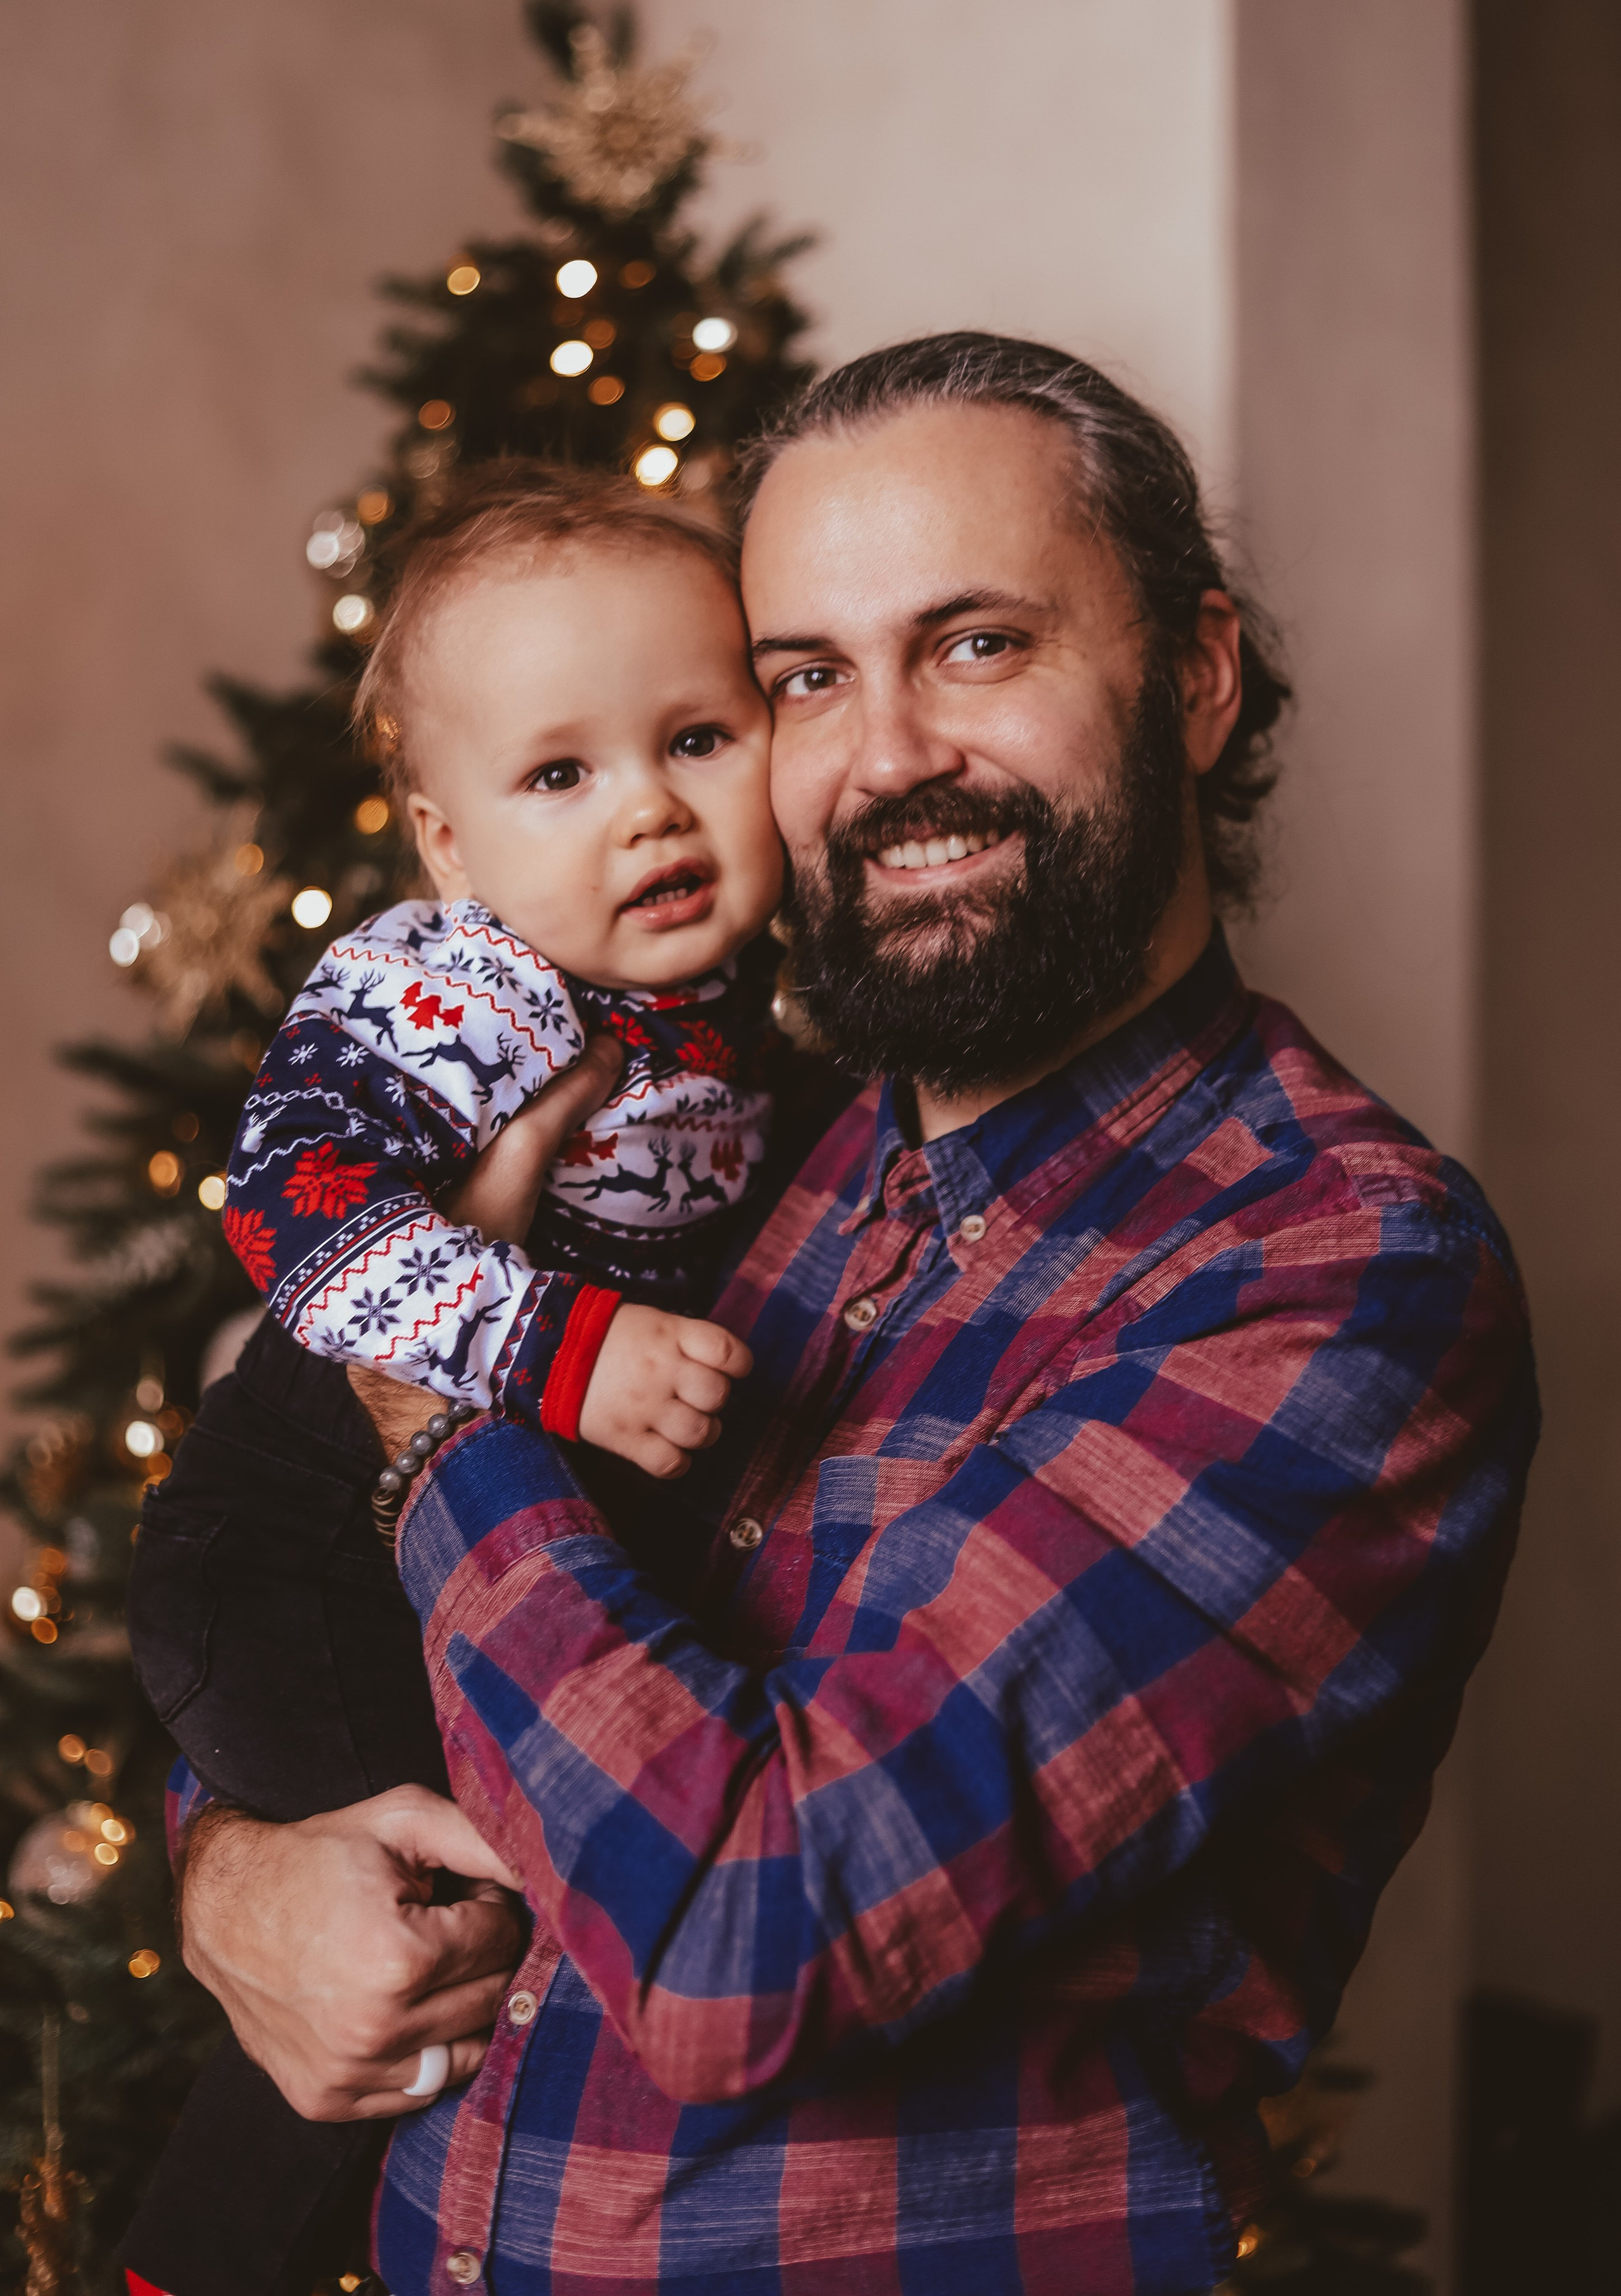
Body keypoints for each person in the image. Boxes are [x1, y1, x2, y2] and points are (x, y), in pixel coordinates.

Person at [127, 334, 1537, 2296]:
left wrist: (442, 1395)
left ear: (1196, 677)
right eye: (802, 677)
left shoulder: (1327, 1270)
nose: (883, 758)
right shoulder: (731, 1154)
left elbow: (742, 1933)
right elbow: (341, 1617)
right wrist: (237, 1869)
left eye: (977, 645)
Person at [224, 464, 776, 1485]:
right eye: (561, 774)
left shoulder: (760, 972)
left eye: (698, 740)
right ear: (452, 847)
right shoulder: (464, 988)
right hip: (316, 1516)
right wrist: (558, 1347)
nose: (652, 808)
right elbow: (283, 1199)